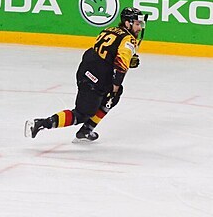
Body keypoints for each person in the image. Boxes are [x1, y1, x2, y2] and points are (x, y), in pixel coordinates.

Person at [27, 8, 145, 143]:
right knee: (82, 114)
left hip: (87, 68)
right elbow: (121, 66)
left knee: (113, 97)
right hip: (96, 76)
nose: (140, 28)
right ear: (127, 23)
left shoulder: (110, 30)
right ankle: (42, 123)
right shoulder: (128, 39)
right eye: (137, 24)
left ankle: (86, 130)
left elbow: (106, 52)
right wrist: (115, 86)